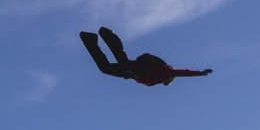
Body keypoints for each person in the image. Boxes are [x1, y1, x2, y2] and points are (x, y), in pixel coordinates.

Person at [79, 26, 211, 87]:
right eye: (168, 82)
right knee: (120, 58)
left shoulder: (158, 80)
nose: (166, 84)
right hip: (136, 68)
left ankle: (91, 39)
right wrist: (200, 73)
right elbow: (183, 73)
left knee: (105, 67)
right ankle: (107, 34)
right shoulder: (166, 73)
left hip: (129, 73)